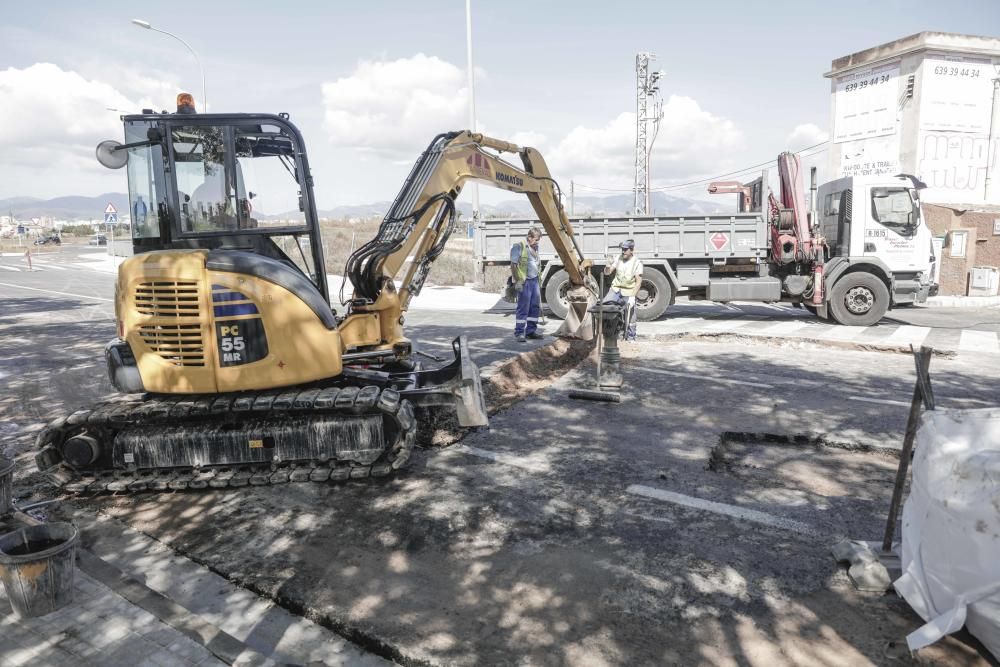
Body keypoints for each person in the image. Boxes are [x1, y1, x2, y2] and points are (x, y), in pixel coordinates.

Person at [604, 239, 644, 341]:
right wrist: (608, 265)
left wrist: (632, 297)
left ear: (631, 250)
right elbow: (607, 273)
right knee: (605, 307)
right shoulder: (618, 258)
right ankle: (610, 334)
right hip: (616, 289)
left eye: (625, 250)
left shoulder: (637, 263)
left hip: (629, 291)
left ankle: (631, 337)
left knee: (631, 314)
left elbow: (638, 282)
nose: (623, 252)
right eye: (622, 249)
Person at [510, 227, 544, 342]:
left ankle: (531, 332)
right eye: (536, 239)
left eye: (538, 240)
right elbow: (513, 265)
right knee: (523, 307)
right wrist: (517, 280)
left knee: (534, 307)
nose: (537, 242)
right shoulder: (518, 247)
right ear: (529, 237)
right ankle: (519, 332)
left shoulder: (535, 248)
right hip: (524, 282)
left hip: (534, 281)